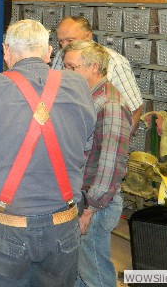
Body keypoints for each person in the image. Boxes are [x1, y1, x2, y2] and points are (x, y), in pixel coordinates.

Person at [0, 19, 96, 287]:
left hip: (5, 227)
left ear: (5, 51)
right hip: (63, 225)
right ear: (48, 53)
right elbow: (85, 145)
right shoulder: (79, 86)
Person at [62, 41, 132, 287]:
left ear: (94, 67)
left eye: (72, 67)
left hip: (95, 205)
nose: (66, 73)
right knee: (80, 267)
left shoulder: (110, 105)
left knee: (94, 272)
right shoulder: (88, 97)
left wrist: (88, 210)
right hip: (81, 199)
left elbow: (110, 166)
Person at [52, 16, 143, 129]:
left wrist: (119, 141)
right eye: (61, 41)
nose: (65, 46)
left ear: (88, 36)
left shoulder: (114, 62)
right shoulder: (60, 56)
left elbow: (135, 108)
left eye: (70, 40)